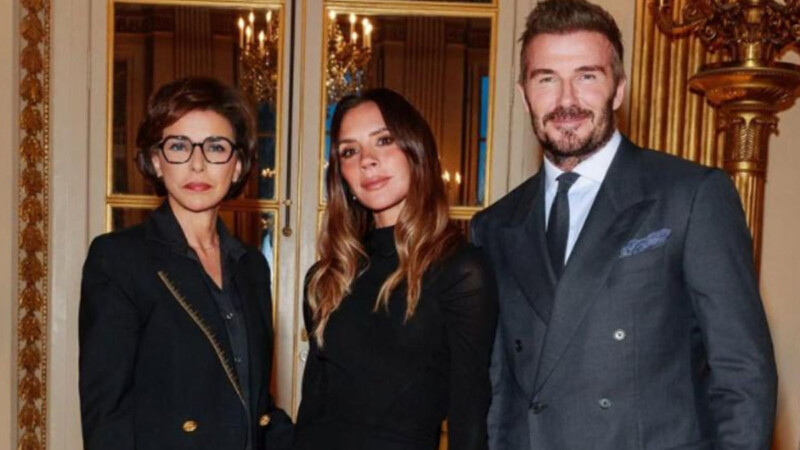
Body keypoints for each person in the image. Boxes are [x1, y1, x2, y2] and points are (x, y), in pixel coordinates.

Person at [469, 1, 777, 449]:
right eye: (546, 79)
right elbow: (499, 395)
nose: (566, 100)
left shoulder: (690, 196)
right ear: (523, 94)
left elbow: (742, 372)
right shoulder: (494, 226)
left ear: (618, 89)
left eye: (587, 76)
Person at [79, 77, 292, 450]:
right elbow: (107, 419)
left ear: (237, 165)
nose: (197, 164)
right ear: (156, 161)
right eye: (178, 146)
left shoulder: (252, 266)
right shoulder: (119, 259)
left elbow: (253, 404)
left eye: (215, 147)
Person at [294, 88, 498, 450]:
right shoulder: (327, 277)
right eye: (350, 151)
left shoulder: (460, 271)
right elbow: (312, 410)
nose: (367, 161)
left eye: (384, 140)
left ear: (415, 151)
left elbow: (469, 419)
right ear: (341, 174)